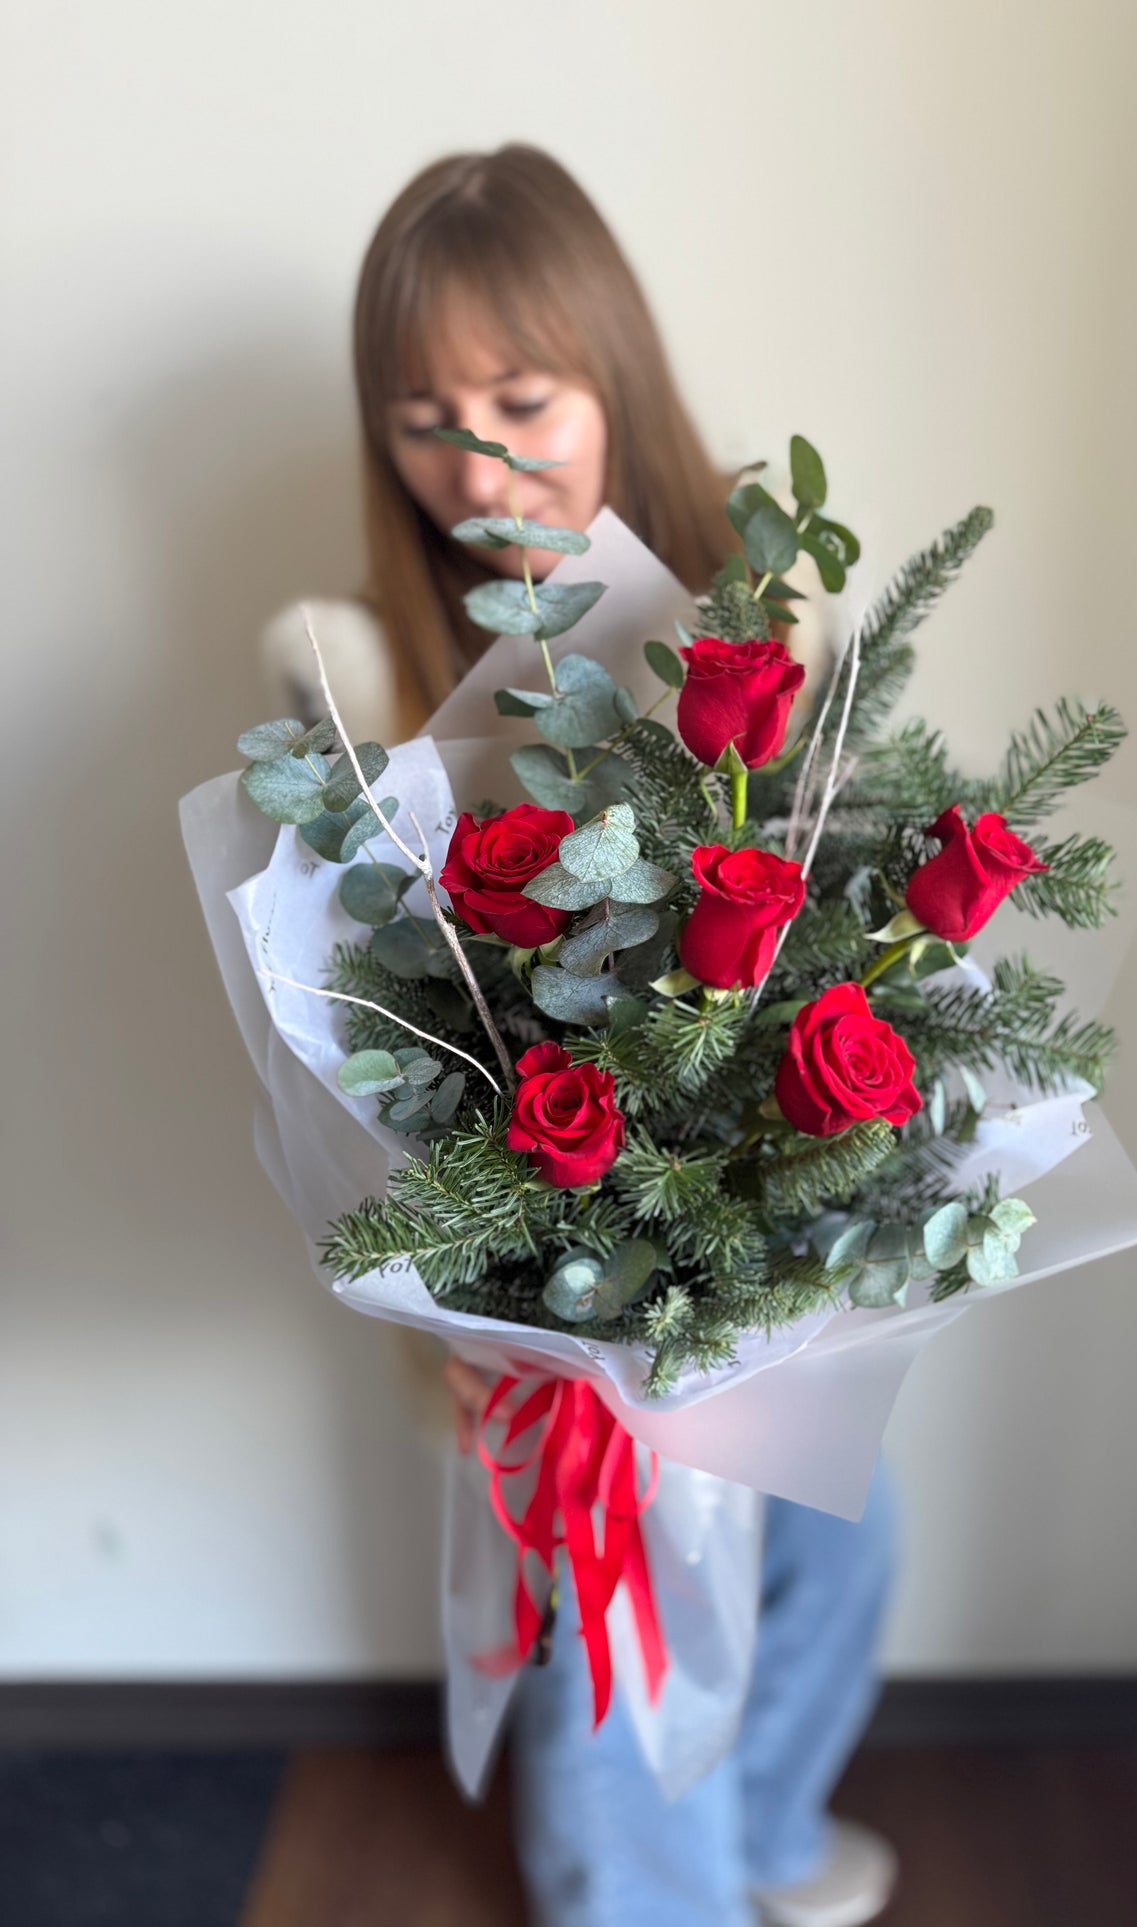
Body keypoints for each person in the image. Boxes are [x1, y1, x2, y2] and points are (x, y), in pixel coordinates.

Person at [261, 145, 898, 1927]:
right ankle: (639, 1899)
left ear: (614, 376)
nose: (476, 463)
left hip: (755, 1251)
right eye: (421, 416)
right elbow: (344, 1027)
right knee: (622, 1596)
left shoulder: (748, 637)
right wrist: (472, 1303)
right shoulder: (359, 686)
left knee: (847, 1539)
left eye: (523, 399)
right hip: (523, 1290)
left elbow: (849, 944)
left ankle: (754, 1833)